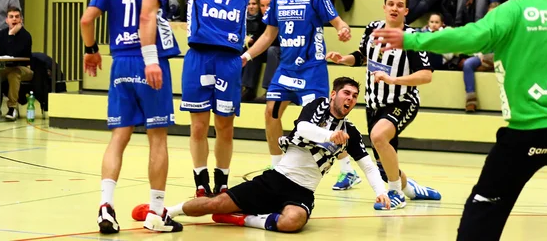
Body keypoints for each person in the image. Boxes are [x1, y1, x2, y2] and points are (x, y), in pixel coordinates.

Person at [372, 0, 547, 241]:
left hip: (529, 131)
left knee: (484, 211)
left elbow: (469, 36)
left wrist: (413, 39)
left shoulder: (513, 11)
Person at [132, 77, 393, 232]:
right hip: (275, 180)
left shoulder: (351, 132)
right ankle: (166, 212)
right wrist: (329, 136)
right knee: (214, 203)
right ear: (334, 94)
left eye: (355, 96)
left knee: (294, 222)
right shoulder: (318, 106)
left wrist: (381, 191)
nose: (350, 99)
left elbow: (368, 166)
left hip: (302, 191)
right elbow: (302, 127)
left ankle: (244, 219)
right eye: (346, 93)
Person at [160, 0, 282, 198]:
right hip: (199, 56)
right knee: (198, 126)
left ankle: (223, 181)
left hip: (229, 60)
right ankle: (201, 183)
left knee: (225, 126)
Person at [80, 0, 183, 234]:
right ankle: (155, 213)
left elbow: (87, 19)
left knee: (118, 137)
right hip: (147, 59)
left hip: (120, 62)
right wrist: (151, 60)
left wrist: (91, 51)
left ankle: (105, 206)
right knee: (157, 137)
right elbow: (147, 17)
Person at [242, 0, 360, 189]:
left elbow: (338, 21)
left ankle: (348, 171)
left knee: (322, 123)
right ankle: (277, 165)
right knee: (271, 113)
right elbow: (268, 35)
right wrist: (247, 55)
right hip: (286, 69)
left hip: (311, 70)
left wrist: (343, 30)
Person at [326, 0, 441, 208]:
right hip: (373, 104)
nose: (395, 8)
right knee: (384, 166)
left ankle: (395, 193)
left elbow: (426, 76)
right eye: (391, 4)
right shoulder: (372, 29)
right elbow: (361, 57)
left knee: (379, 136)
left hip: (402, 101)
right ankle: (412, 189)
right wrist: (344, 59)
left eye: (400, 5)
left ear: (406, 10)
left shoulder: (412, 38)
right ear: (384, 7)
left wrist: (393, 80)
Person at [0, 7, 32, 121]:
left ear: (21, 20)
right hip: (4, 68)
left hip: (23, 68)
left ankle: (12, 108)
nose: (14, 19)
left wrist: (11, 35)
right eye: (11, 17)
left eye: (17, 17)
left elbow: (13, 54)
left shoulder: (26, 36)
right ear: (6, 20)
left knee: (14, 73)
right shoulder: (1, 34)